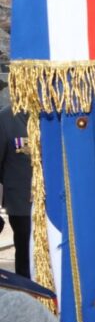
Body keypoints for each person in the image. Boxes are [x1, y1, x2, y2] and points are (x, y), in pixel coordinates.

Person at [0, 107, 31, 278]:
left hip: (54, 205)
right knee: (26, 259)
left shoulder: (51, 115)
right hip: (21, 206)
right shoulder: (6, 119)